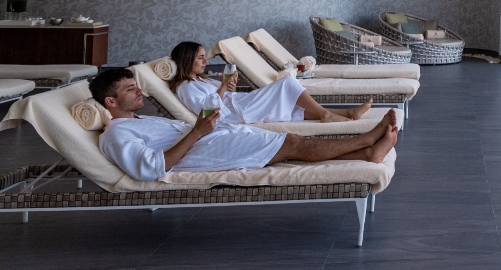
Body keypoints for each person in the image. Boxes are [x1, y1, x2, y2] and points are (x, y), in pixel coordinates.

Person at [91, 68, 397, 181]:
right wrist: (197, 131)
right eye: (130, 90)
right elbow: (151, 168)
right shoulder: (116, 135)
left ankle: (367, 156)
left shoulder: (139, 120)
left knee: (286, 148)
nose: (140, 92)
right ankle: (364, 140)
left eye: (137, 86)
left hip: (214, 137)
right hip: (206, 152)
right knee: (290, 143)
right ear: (110, 102)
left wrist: (202, 129)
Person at [168, 41, 371, 124]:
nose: (206, 61)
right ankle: (326, 114)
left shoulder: (199, 80)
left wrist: (229, 86)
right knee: (287, 85)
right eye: (200, 58)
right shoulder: (186, 87)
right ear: (187, 61)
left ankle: (348, 114)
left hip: (240, 102)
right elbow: (206, 113)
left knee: (292, 108)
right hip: (235, 115)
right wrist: (222, 86)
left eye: (205, 57)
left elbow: (222, 96)